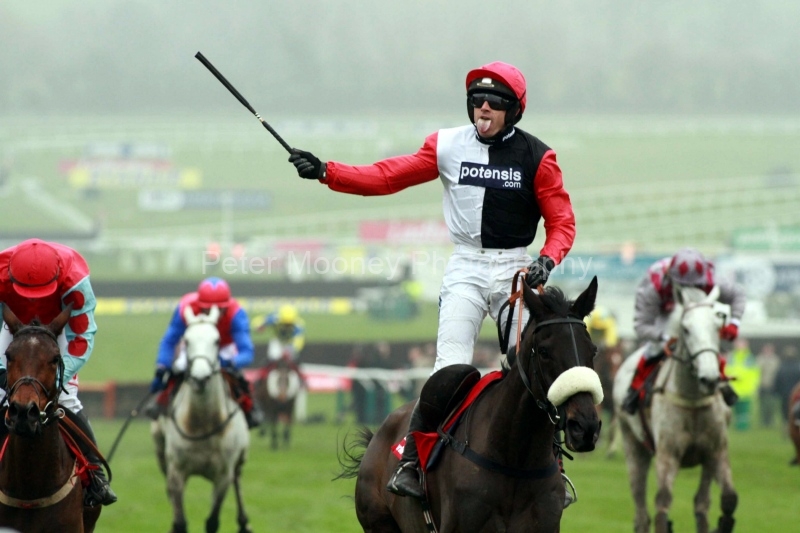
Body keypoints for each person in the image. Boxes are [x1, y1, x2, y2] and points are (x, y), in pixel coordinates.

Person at [288, 62, 576, 502]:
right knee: (449, 369)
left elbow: (562, 222)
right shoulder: (446, 145)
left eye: (494, 102)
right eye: (477, 100)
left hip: (516, 269)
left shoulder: (539, 157)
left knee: (529, 368)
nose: (483, 107)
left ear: (514, 111)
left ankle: (554, 467)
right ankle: (411, 462)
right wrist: (328, 171)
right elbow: (386, 176)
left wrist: (547, 259)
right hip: (465, 267)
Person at [0, 238, 117, 507]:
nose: (34, 298)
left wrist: (57, 379)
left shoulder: (76, 281)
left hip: (59, 326)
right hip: (11, 323)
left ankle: (95, 475)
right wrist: (2, 375)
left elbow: (82, 337)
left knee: (66, 399)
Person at [622, 248, 746, 414]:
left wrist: (734, 323)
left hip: (696, 312)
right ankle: (635, 389)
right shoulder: (653, 286)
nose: (691, 289)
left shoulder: (710, 278)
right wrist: (664, 337)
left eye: (696, 285)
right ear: (670, 277)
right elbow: (641, 326)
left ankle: (721, 381)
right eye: (685, 285)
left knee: (705, 340)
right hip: (665, 314)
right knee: (654, 349)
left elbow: (738, 295)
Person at [148, 277, 264, 429]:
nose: (214, 314)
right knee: (178, 368)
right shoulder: (185, 308)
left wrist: (230, 362)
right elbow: (169, 341)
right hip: (196, 345)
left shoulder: (237, 314)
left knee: (237, 377)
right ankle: (161, 401)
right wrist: (162, 366)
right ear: (199, 305)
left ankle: (249, 408)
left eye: (219, 310)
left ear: (227, 306)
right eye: (207, 310)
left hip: (223, 347)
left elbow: (246, 352)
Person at [756, 343, 781, 427]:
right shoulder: (759, 359)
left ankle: (771, 420)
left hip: (773, 386)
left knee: (771, 404)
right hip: (762, 385)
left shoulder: (776, 360)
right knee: (763, 404)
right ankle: (764, 420)